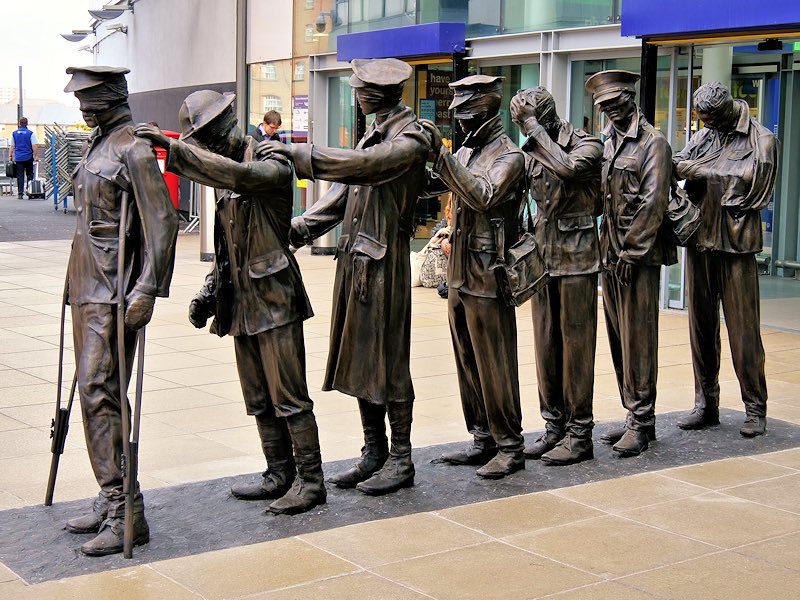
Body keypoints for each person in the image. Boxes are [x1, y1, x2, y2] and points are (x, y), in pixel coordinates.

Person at [135, 90, 326, 515]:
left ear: (227, 127)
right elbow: (226, 247)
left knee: (289, 396)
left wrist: (175, 151)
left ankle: (312, 481)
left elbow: (241, 176)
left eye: (208, 139)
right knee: (258, 396)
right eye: (201, 142)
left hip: (275, 298)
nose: (208, 147)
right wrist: (209, 291)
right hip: (241, 302)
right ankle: (279, 473)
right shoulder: (222, 173)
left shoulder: (271, 160)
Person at [259, 58, 429, 496]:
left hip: (384, 265)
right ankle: (375, 451)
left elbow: (364, 168)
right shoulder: (375, 133)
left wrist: (301, 154)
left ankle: (402, 457)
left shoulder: (409, 138)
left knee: (389, 361)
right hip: (356, 262)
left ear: (374, 94)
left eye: (359, 90)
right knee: (361, 360)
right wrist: (298, 229)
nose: (356, 95)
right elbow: (343, 195)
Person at [62, 66, 179, 556]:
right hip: (88, 287)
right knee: (98, 393)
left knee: (100, 390)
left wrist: (148, 288)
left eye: (87, 99)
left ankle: (125, 509)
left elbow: (163, 222)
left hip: (114, 291)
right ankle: (110, 493)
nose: (81, 107)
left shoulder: (133, 148)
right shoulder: (99, 144)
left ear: (109, 97)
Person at [421, 75, 527, 479]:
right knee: (467, 357)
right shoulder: (466, 151)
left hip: (488, 272)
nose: (460, 123)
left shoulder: (509, 157)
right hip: (460, 271)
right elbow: (434, 185)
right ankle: (482, 436)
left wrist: (442, 156)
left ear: (484, 114)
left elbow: (483, 194)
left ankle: (509, 445)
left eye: (465, 116)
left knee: (494, 361)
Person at [673, 82, 778, 437]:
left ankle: (755, 408)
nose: (707, 127)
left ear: (727, 111)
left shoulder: (761, 140)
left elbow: (754, 188)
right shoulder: (706, 135)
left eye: (712, 120)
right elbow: (677, 163)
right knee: (701, 328)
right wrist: (695, 168)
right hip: (700, 239)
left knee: (743, 331)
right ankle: (706, 404)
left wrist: (703, 171)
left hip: (736, 246)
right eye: (703, 121)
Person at [584, 70, 676, 457]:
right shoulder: (608, 143)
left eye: (614, 103)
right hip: (610, 253)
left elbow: (653, 202)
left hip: (636, 258)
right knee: (618, 336)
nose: (609, 111)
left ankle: (642, 419)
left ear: (630, 98)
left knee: (638, 339)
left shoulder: (653, 143)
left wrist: (632, 251)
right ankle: (633, 415)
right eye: (602, 106)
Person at [510, 86, 603, 466]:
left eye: (526, 120)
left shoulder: (587, 144)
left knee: (576, 348)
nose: (524, 128)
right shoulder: (531, 150)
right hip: (543, 260)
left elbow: (567, 168)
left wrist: (533, 130)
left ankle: (580, 434)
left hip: (578, 259)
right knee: (546, 346)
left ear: (544, 116)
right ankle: (554, 427)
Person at [10, 116, 38, 199]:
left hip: (18, 158)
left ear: (19, 123)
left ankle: (20, 193)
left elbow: (12, 146)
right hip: (28, 157)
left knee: (20, 175)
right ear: (27, 123)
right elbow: (34, 146)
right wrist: (36, 155)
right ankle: (29, 191)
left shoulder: (14, 133)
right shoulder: (31, 133)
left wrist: (10, 155)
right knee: (29, 174)